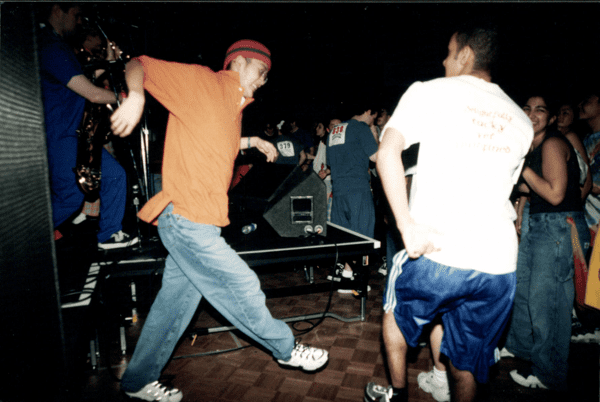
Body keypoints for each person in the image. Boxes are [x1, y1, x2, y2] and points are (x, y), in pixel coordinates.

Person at [109, 39, 328, 401]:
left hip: (199, 221)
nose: (264, 80)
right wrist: (135, 96)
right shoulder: (202, 81)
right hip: (187, 219)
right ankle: (287, 348)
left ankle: (137, 381)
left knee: (173, 307)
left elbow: (211, 137)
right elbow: (138, 64)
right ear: (238, 62)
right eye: (261, 71)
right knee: (240, 283)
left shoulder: (231, 107)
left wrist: (251, 141)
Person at [365, 24, 533, 402]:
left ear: (466, 54)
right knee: (467, 360)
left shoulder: (429, 91)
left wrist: (407, 226)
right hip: (498, 263)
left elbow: (386, 154)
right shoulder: (521, 120)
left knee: (394, 315)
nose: (443, 61)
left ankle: (396, 394)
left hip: (439, 250)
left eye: (448, 52)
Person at [503, 94, 590, 392]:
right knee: (525, 288)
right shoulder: (536, 145)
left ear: (551, 118)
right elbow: (534, 188)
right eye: (526, 108)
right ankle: (521, 346)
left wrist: (522, 167)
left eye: (540, 110)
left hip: (558, 228)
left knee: (548, 302)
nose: (531, 114)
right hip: (541, 223)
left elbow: (554, 194)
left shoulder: (552, 143)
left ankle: (549, 373)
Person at [38, 3, 138, 250]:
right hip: (60, 137)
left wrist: (107, 63)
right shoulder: (50, 46)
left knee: (114, 175)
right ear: (57, 10)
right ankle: (21, 239)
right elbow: (92, 93)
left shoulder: (57, 45)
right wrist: (128, 99)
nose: (80, 22)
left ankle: (109, 234)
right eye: (76, 15)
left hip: (75, 136)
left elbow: (83, 83)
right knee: (71, 197)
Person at [326, 102, 379, 291]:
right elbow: (376, 157)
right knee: (363, 238)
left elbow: (330, 162)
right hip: (358, 190)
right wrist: (373, 132)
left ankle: (347, 277)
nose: (374, 120)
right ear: (368, 110)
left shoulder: (334, 131)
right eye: (374, 116)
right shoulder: (361, 128)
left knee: (346, 237)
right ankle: (360, 282)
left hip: (339, 192)